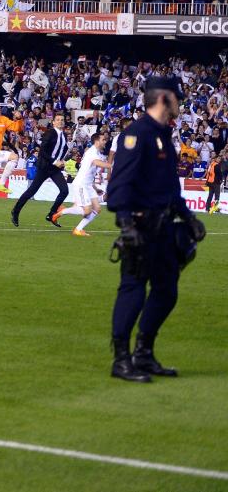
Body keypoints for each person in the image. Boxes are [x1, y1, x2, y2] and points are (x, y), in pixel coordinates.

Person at [106, 76, 206, 383]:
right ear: (164, 98)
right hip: (139, 225)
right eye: (177, 97)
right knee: (133, 290)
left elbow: (169, 188)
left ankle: (144, 353)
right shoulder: (136, 134)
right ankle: (121, 359)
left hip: (164, 225)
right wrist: (125, 224)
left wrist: (187, 218)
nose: (181, 102)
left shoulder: (163, 134)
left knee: (167, 291)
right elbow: (119, 185)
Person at [10, 112, 71, 227]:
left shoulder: (63, 135)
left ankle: (51, 214)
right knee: (32, 190)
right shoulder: (50, 133)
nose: (60, 121)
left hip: (54, 168)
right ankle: (16, 211)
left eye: (62, 120)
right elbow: (42, 151)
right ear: (53, 122)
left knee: (65, 190)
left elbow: (62, 150)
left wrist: (62, 160)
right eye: (58, 119)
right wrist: (55, 161)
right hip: (45, 167)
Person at [51, 131, 110, 236]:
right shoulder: (92, 152)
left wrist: (95, 188)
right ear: (97, 141)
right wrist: (111, 166)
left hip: (87, 185)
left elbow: (88, 172)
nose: (105, 141)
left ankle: (78, 229)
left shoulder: (96, 152)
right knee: (87, 210)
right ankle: (62, 211)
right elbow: (97, 163)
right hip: (81, 184)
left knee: (97, 208)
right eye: (103, 140)